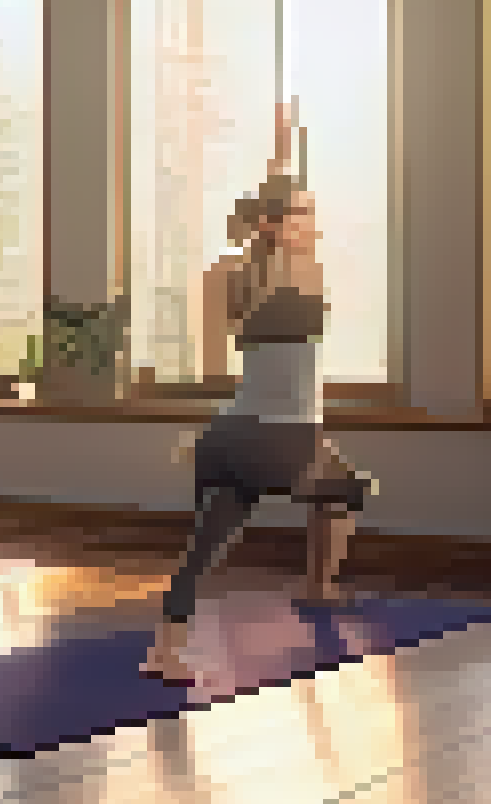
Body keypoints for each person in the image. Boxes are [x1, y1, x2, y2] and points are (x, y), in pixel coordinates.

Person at [139, 100, 372, 683]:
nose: (314, 223)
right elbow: (271, 224)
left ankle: (164, 650)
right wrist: (281, 159)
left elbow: (223, 365)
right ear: (273, 226)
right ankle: (319, 586)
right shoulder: (289, 270)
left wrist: (281, 156)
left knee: (204, 548)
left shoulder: (231, 275)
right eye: (303, 215)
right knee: (347, 489)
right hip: (284, 439)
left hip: (233, 433)